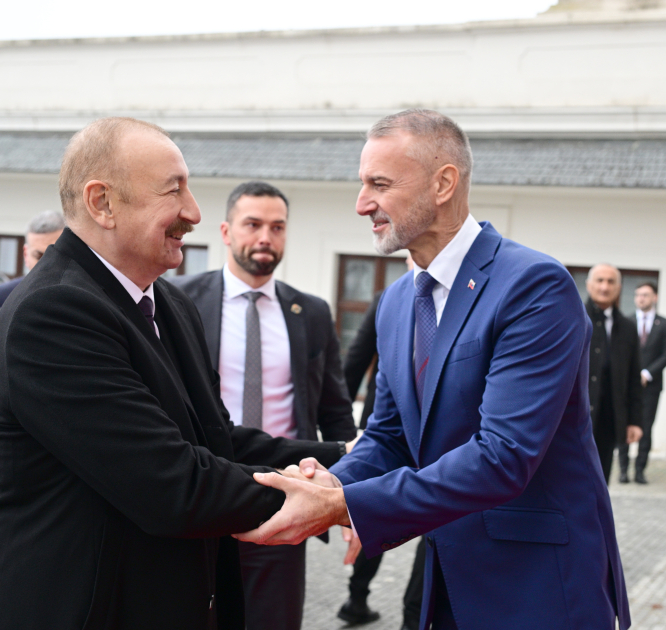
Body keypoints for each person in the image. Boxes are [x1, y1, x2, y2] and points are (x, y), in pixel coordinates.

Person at [235, 109, 632, 630]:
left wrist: (341, 505)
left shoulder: (534, 286)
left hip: (537, 589)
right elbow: (390, 437)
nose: (362, 204)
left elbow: (503, 456)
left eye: (379, 184)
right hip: (445, 584)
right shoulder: (398, 302)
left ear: (443, 183)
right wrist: (330, 481)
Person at [0, 118, 348, 630]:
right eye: (174, 190)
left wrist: (348, 458)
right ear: (102, 203)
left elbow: (216, 440)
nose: (194, 212)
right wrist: (333, 501)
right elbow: (173, 485)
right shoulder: (53, 311)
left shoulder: (168, 302)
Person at [172, 180, 357, 630]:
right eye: (252, 224)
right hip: (204, 494)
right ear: (225, 231)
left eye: (277, 227)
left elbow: (335, 411)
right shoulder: (178, 301)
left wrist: (352, 495)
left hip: (286, 496)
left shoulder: (311, 313)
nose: (265, 238)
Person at [337, 263, 425, 630]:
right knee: (372, 512)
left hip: (433, 439)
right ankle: (359, 598)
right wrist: (347, 438)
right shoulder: (389, 299)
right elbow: (354, 362)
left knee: (386, 513)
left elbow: (353, 364)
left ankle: (401, 608)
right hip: (384, 426)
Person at [584, 264, 644, 484]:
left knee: (600, 481)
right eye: (599, 280)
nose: (605, 286)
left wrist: (634, 421)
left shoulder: (627, 327)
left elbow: (634, 377)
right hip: (575, 417)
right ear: (588, 285)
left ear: (619, 288)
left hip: (609, 419)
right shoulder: (573, 319)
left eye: (611, 282)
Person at [620, 282, 666, 483]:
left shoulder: (663, 324)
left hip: (651, 386)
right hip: (626, 386)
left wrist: (647, 374)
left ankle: (640, 470)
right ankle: (623, 470)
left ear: (655, 297)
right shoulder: (626, 322)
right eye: (638, 294)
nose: (641, 298)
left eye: (645, 295)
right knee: (623, 424)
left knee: (646, 428)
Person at [0, 210, 65, 306]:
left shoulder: (75, 301)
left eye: (55, 255)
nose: (46, 264)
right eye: (38, 256)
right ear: (25, 254)